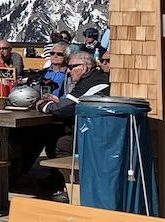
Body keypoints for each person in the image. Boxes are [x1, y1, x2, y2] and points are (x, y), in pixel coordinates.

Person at [36, 50, 111, 201]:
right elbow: (73, 103)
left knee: (59, 145)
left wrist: (42, 105)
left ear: (83, 67)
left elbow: (65, 109)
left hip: (96, 138)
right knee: (53, 139)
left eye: (71, 67)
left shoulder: (92, 82)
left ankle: (72, 187)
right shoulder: (92, 79)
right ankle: (60, 181)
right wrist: (59, 102)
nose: (68, 71)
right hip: (94, 132)